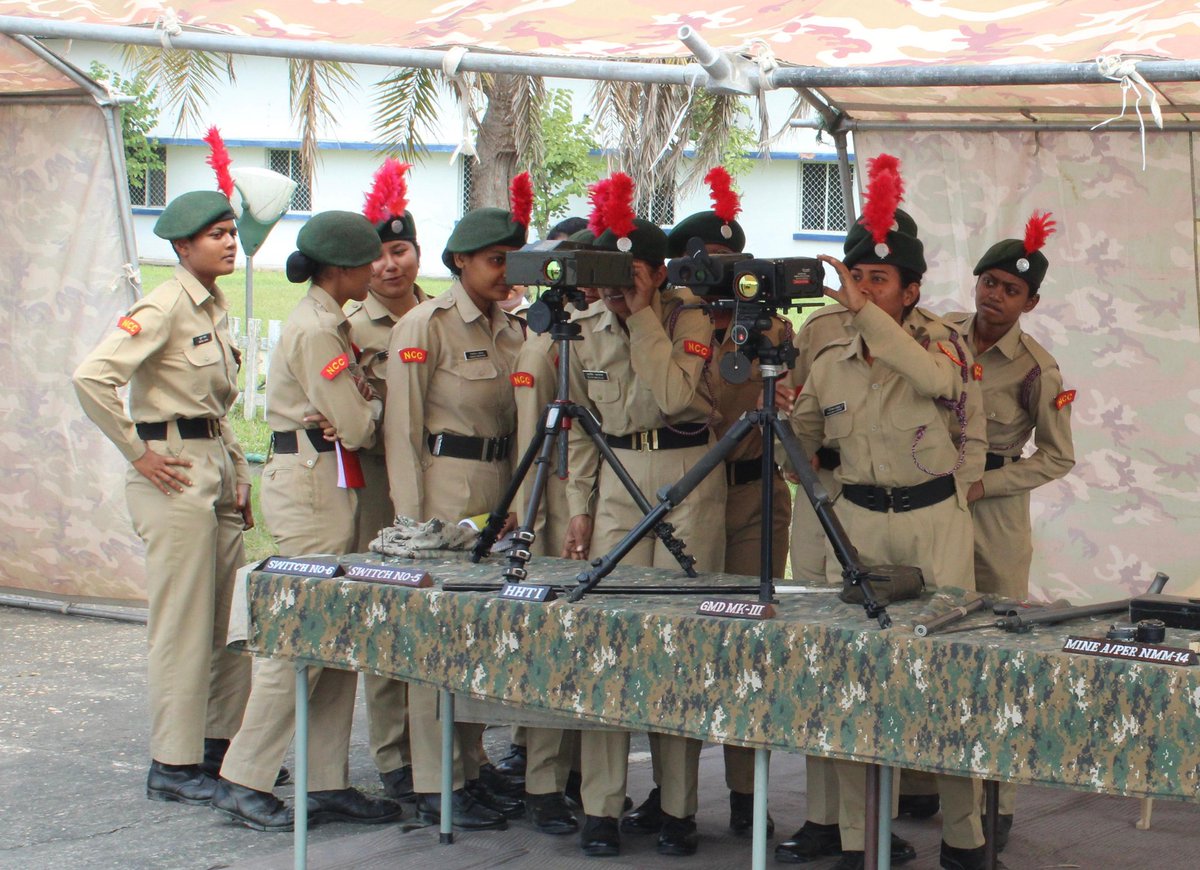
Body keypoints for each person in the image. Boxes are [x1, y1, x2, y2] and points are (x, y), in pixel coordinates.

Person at [786, 156, 988, 870]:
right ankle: (858, 837)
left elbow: (936, 382)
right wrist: (788, 427)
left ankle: (965, 839)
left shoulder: (939, 341)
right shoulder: (831, 351)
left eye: (878, 279)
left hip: (931, 528)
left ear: (910, 290)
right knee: (847, 683)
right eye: (855, 276)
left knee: (948, 681)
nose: (861, 289)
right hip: (856, 526)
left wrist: (868, 318)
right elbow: (802, 444)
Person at [210, 211, 403, 832]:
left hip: (327, 480)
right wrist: (368, 409)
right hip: (312, 486)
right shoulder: (319, 329)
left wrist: (356, 408)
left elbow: (347, 414)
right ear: (342, 268)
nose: (380, 269)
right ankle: (244, 777)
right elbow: (356, 424)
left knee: (333, 640)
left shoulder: (330, 321)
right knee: (299, 637)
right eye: (369, 261)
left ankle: (325, 782)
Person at [73, 189, 254, 807]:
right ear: (182, 246)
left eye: (232, 231)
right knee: (182, 624)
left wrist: (239, 476)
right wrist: (138, 453)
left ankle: (215, 745)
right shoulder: (165, 304)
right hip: (170, 469)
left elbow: (215, 407)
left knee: (224, 621)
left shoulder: (212, 307)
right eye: (216, 235)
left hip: (210, 468)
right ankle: (172, 764)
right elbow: (93, 377)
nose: (230, 242)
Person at [564, 211, 726, 859]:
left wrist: (641, 316)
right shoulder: (585, 326)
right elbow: (579, 423)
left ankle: (678, 806)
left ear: (660, 273)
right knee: (609, 643)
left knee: (680, 640)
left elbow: (679, 400)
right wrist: (579, 504)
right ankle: (602, 804)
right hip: (617, 476)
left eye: (630, 274)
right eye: (606, 273)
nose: (613, 287)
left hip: (687, 470)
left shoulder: (685, 318)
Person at [384, 189, 531, 830]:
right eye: (497, 261)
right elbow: (402, 430)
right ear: (462, 261)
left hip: (497, 485)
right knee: (435, 637)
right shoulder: (425, 326)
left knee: (475, 639)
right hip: (445, 485)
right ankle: (433, 781)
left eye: (514, 261)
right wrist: (412, 521)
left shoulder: (513, 327)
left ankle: (469, 768)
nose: (508, 273)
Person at [944, 212, 1075, 851]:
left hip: (993, 516)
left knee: (997, 656)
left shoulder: (1036, 370)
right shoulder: (938, 337)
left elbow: (1057, 456)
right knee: (935, 639)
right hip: (931, 505)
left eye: (1009, 289)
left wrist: (987, 485)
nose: (993, 296)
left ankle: (998, 797)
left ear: (1031, 302)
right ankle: (934, 789)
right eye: (988, 282)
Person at [666, 180, 791, 838]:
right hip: (689, 493)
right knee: (684, 641)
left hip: (753, 493)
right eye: (707, 264)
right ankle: (676, 801)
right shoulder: (673, 328)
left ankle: (748, 794)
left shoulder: (765, 328)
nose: (722, 279)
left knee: (749, 645)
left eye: (731, 265)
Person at [350, 161, 429, 806]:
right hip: (378, 485)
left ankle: (449, 754)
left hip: (444, 480)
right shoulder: (349, 328)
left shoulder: (438, 317)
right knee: (389, 610)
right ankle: (394, 756)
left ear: (416, 252)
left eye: (398, 250)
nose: (388, 266)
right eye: (376, 256)